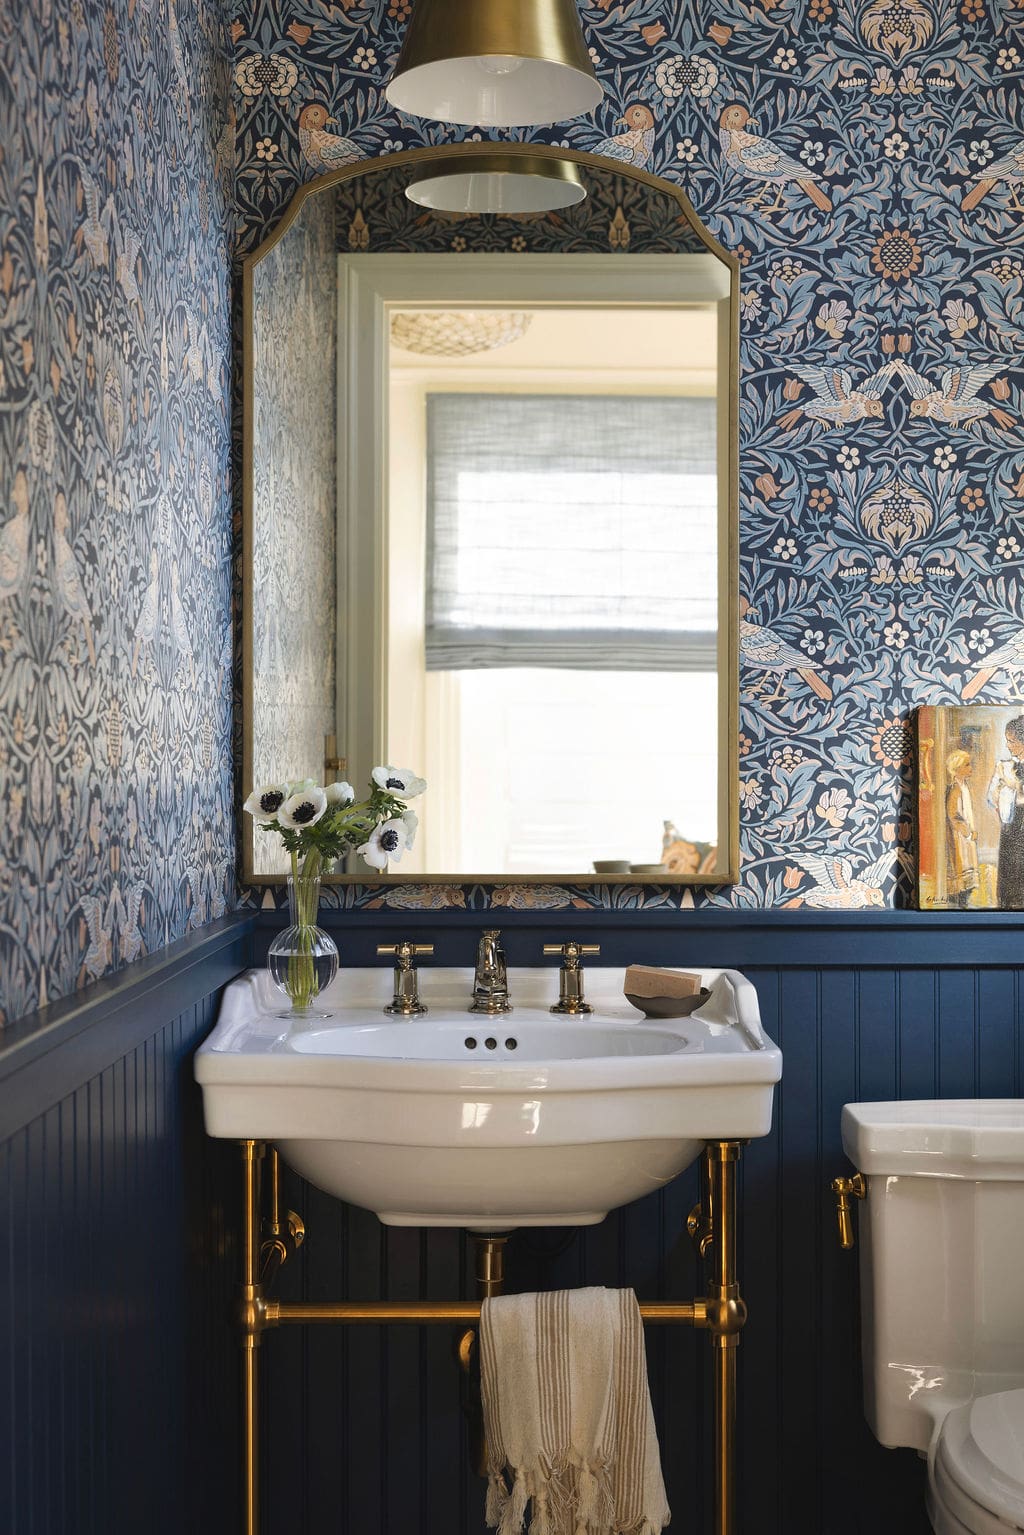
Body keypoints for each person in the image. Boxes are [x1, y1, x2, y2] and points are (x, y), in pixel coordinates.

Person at [987, 715, 1024, 908]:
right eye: (1007, 741)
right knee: (1011, 862)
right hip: (1012, 820)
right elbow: (991, 796)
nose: (1008, 746)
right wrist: (1003, 811)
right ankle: (1009, 902)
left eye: (1012, 741)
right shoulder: (1003, 767)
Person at [945, 749, 978, 908]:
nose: (971, 767)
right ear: (957, 769)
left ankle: (966, 895)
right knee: (961, 864)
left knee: (968, 863)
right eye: (967, 764)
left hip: (967, 836)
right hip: (959, 837)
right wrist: (967, 832)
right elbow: (953, 815)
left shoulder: (964, 787)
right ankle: (960, 898)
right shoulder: (954, 789)